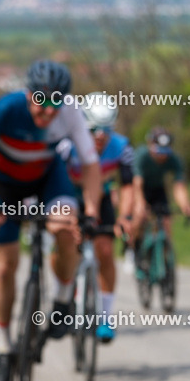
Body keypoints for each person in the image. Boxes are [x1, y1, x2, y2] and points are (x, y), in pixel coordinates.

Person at [0, 60, 102, 381]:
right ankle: (3, 347)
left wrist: (91, 211)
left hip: (47, 180)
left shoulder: (69, 112)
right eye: (42, 99)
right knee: (5, 266)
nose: (49, 110)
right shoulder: (7, 108)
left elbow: (90, 165)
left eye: (57, 101)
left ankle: (63, 302)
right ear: (28, 94)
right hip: (4, 185)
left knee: (66, 226)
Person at [62, 93, 135, 343]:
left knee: (105, 250)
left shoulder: (122, 147)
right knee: (68, 247)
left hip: (101, 198)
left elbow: (127, 186)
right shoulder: (66, 143)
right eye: (94, 129)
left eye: (107, 129)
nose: (101, 135)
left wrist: (124, 216)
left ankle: (105, 316)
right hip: (68, 196)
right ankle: (65, 299)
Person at [131, 126, 190, 255]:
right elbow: (137, 183)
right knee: (139, 217)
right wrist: (140, 204)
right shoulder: (142, 155)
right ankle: (133, 249)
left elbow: (179, 186)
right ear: (150, 145)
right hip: (141, 189)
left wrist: (184, 204)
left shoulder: (174, 160)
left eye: (165, 152)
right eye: (159, 151)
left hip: (158, 190)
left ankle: (166, 257)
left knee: (166, 222)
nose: (162, 156)